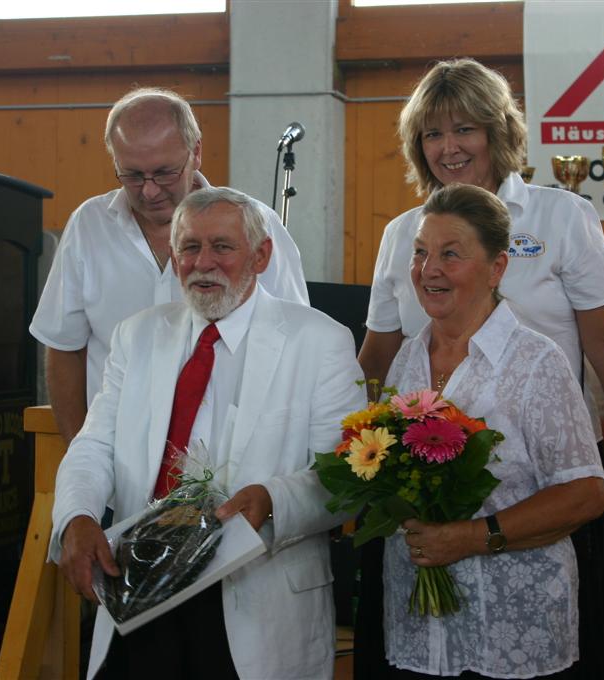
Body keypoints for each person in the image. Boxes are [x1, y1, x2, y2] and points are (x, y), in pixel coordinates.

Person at [356, 59, 604, 680]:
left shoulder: (560, 216)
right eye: (432, 135)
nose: (448, 148)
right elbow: (377, 360)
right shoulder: (400, 236)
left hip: (540, 483)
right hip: (425, 489)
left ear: (498, 132)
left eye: (463, 129)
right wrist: (349, 459)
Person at [49, 187, 366, 680]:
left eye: (222, 246)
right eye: (190, 248)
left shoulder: (321, 341)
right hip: (140, 589)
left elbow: (347, 478)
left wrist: (275, 498)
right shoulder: (136, 336)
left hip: (258, 602)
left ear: (262, 256)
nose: (203, 263)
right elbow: (96, 445)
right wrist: (77, 516)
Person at [383, 183, 604, 678]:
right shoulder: (407, 359)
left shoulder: (535, 362)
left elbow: (586, 495)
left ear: (497, 268)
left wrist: (469, 537)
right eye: (420, 253)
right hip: (418, 625)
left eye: (450, 254)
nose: (429, 270)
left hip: (510, 626)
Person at [31, 87, 309, 444]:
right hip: (115, 465)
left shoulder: (259, 225)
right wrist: (79, 452)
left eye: (164, 173)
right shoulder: (89, 225)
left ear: (196, 152)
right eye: (131, 175)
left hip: (228, 464)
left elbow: (293, 346)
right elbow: (63, 346)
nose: (149, 191)